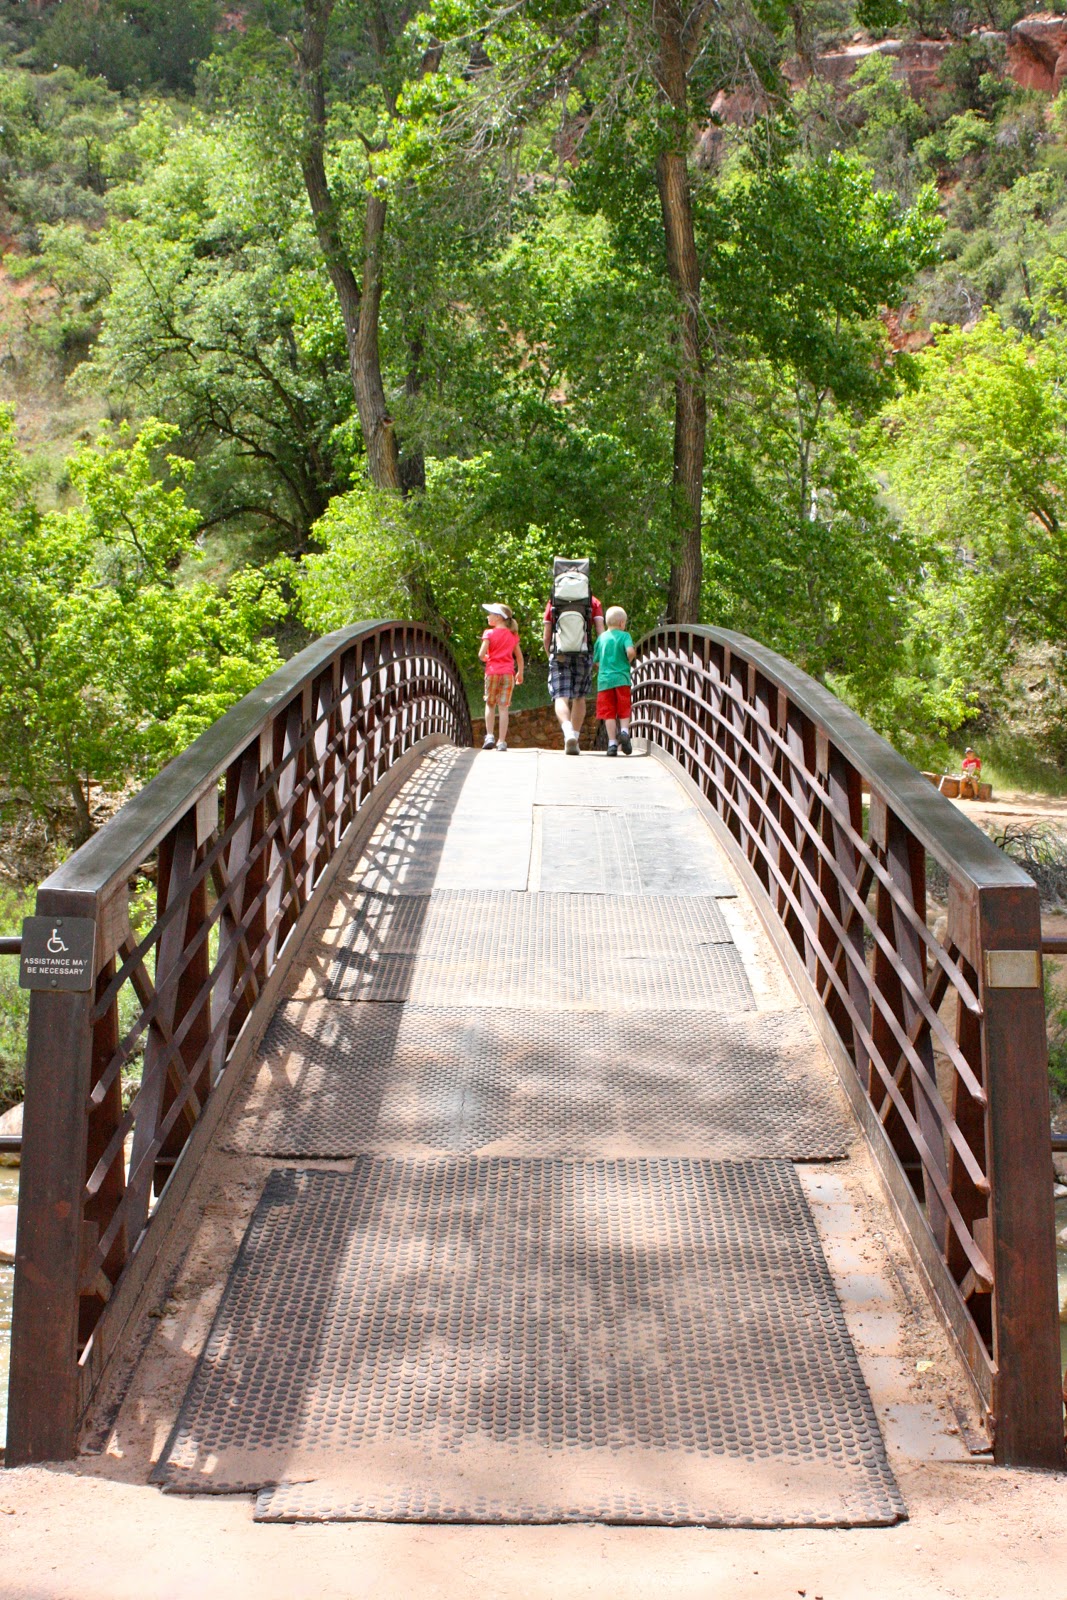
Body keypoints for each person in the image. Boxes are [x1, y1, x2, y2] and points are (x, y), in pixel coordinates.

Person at [543, 583, 605, 755]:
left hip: (560, 653)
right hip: (583, 653)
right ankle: (575, 739)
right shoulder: (593, 602)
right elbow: (601, 633)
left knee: (560, 696)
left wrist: (550, 654)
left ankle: (568, 732)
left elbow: (546, 635)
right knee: (579, 697)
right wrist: (599, 658)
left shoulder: (554, 601)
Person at [479, 603, 523, 751]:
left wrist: (486, 658)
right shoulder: (513, 635)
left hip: (492, 672)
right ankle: (502, 742)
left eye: (490, 614)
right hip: (508, 673)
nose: (488, 616)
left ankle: (490, 736)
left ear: (498, 617)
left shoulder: (489, 633)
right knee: (503, 708)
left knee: (490, 704)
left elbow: (481, 654)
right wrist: (520, 672)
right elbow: (519, 657)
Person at [593, 606, 636, 757]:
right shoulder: (625, 636)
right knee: (623, 708)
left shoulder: (601, 638)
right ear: (622, 623)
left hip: (605, 681)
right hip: (622, 679)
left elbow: (596, 660)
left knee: (608, 713)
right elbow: (630, 651)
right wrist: (628, 660)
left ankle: (612, 744)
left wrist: (604, 668)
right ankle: (624, 732)